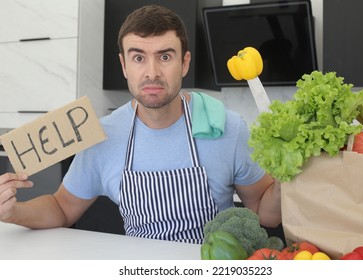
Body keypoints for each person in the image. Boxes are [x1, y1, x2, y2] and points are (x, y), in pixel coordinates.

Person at [0, 5, 281, 244]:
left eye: (165, 56)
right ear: (124, 66)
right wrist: (13, 212)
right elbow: (62, 208)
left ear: (184, 64)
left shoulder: (227, 128)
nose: (152, 73)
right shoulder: (101, 135)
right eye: (138, 58)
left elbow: (265, 212)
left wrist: (288, 180)